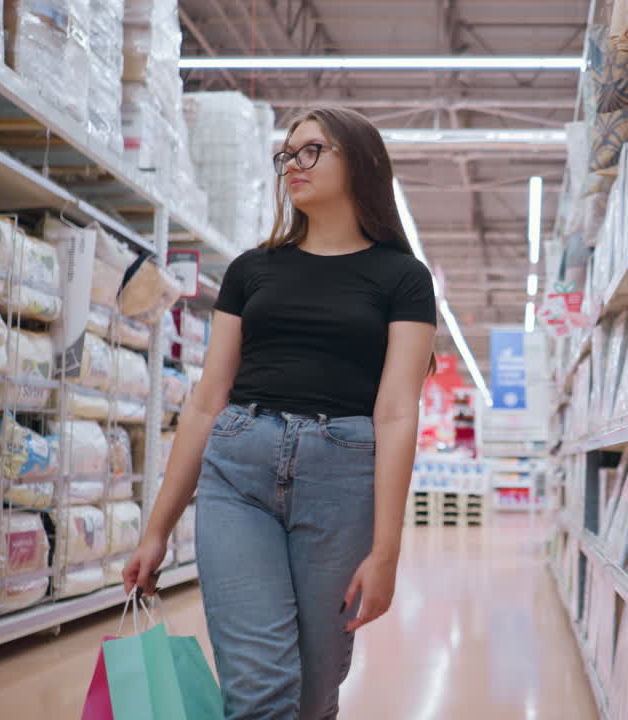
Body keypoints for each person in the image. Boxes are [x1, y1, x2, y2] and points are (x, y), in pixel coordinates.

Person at [123, 107, 437, 719]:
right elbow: (208, 400)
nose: (293, 164)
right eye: (287, 154)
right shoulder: (251, 269)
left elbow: (398, 411)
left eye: (312, 150)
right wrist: (156, 529)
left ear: (362, 162)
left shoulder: (403, 278)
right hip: (238, 473)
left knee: (315, 692)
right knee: (262, 690)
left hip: (342, 482)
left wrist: (387, 550)